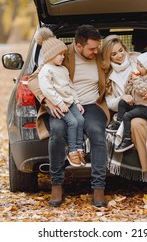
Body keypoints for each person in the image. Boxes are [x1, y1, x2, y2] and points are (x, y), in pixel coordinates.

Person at [28, 25, 109, 207]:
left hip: (91, 104)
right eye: (91, 49)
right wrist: (48, 102)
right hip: (62, 104)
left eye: (98, 47)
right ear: (78, 46)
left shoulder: (99, 55)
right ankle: (56, 185)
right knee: (56, 131)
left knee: (97, 132)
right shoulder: (61, 54)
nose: (96, 51)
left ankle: (98, 188)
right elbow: (34, 78)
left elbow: (124, 59)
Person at [101, 35, 147, 194]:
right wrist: (122, 98)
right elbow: (108, 101)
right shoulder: (107, 74)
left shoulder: (140, 60)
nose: (120, 55)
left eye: (121, 50)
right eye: (114, 54)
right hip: (133, 110)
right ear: (108, 57)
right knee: (135, 124)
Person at [36, 27, 85, 167]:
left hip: (69, 102)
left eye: (63, 54)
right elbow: (47, 90)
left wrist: (77, 102)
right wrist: (59, 103)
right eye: (60, 55)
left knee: (80, 119)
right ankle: (72, 151)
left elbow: (70, 86)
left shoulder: (62, 69)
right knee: (73, 122)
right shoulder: (46, 71)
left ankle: (80, 148)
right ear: (50, 55)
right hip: (57, 104)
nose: (63, 57)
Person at [110, 41, 147, 153]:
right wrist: (129, 83)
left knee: (127, 116)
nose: (137, 66)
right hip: (138, 104)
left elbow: (142, 90)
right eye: (113, 54)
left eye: (140, 65)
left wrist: (137, 80)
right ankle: (118, 124)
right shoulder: (139, 74)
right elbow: (128, 91)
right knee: (122, 103)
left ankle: (127, 139)